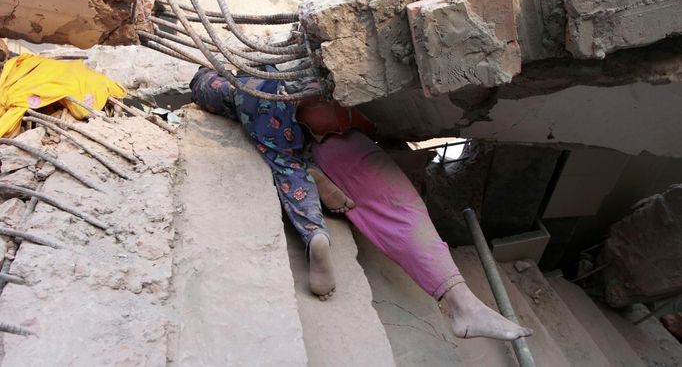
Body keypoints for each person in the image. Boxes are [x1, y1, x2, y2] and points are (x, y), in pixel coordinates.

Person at [190, 66, 532, 340]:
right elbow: (328, 106)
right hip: (328, 137)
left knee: (290, 173)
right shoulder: (271, 72)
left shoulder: (242, 100)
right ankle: (463, 304)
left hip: (298, 137)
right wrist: (352, 124)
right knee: (401, 209)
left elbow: (213, 92)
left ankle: (313, 226)